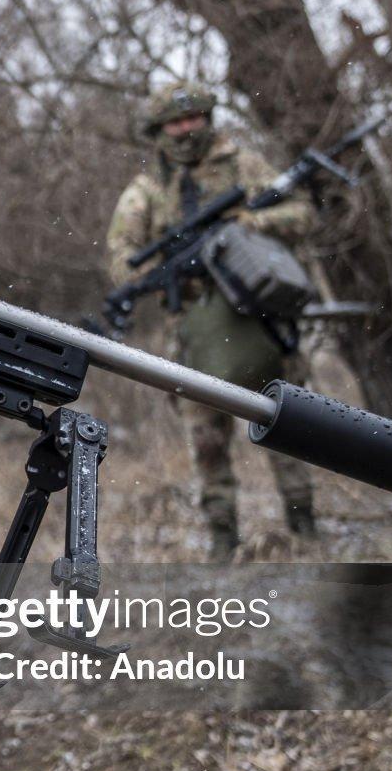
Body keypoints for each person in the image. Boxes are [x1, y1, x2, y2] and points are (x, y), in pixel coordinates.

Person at [105, 82, 317, 561]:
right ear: (158, 131)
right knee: (206, 441)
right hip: (194, 328)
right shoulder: (147, 191)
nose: (186, 130)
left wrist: (249, 226)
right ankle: (223, 541)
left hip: (261, 315)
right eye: (175, 123)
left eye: (194, 118)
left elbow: (302, 213)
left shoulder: (244, 165)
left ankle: (304, 529)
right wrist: (167, 270)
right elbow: (120, 261)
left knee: (288, 424)